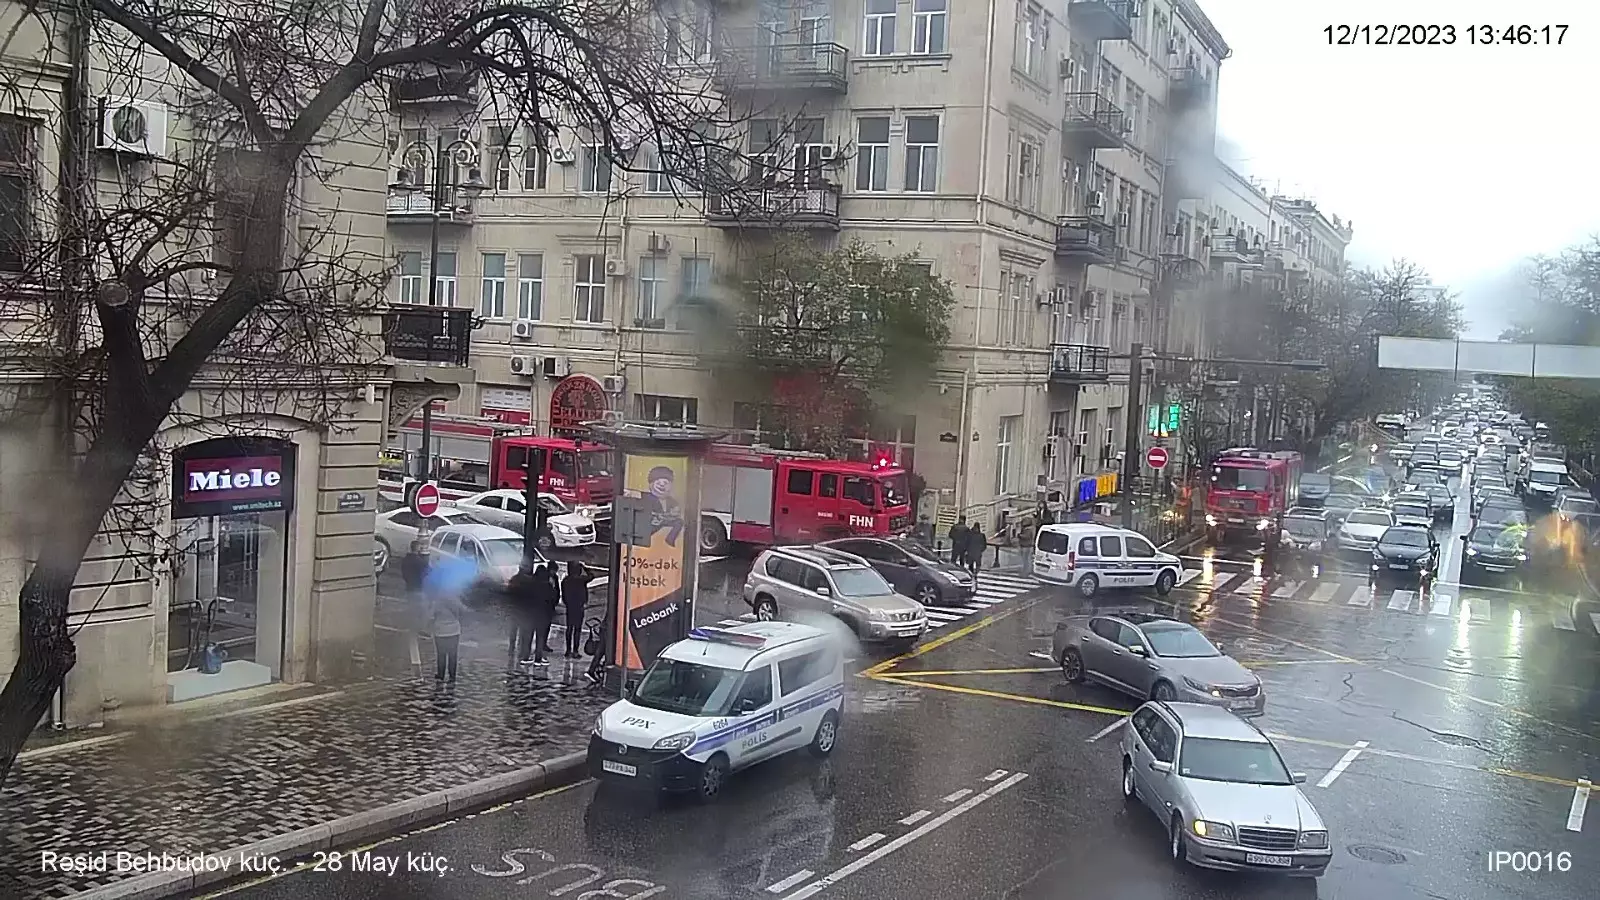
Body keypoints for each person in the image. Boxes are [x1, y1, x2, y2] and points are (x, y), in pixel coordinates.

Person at [427, 579, 469, 684]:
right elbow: (464, 612)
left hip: (440, 631)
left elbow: (430, 616)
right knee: (453, 655)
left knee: (441, 655)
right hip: (454, 631)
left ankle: (440, 675)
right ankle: (452, 676)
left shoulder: (437, 602)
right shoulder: (456, 601)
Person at [530, 563, 560, 665]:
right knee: (540, 636)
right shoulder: (547, 586)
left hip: (533, 612)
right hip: (544, 613)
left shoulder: (533, 584)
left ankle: (526, 655)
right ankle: (538, 658)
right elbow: (553, 596)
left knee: (531, 634)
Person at [562, 563, 589, 658]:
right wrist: (585, 567)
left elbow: (564, 595)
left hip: (570, 607)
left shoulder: (565, 580)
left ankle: (568, 650)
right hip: (579, 607)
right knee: (577, 629)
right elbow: (591, 576)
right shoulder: (580, 580)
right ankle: (575, 650)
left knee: (569, 628)